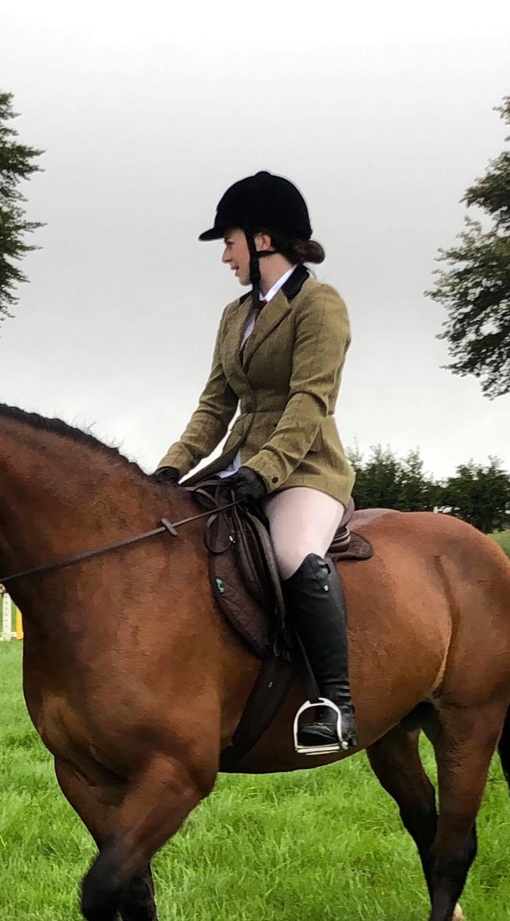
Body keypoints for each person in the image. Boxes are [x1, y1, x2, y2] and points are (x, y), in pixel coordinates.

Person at [154, 170, 358, 755]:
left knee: (294, 554)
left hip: (305, 468)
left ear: (263, 240)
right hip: (236, 466)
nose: (226, 257)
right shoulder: (234, 314)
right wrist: (169, 469)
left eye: (230, 243)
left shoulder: (319, 304)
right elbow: (215, 405)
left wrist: (263, 471)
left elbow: (310, 400)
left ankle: (334, 705)